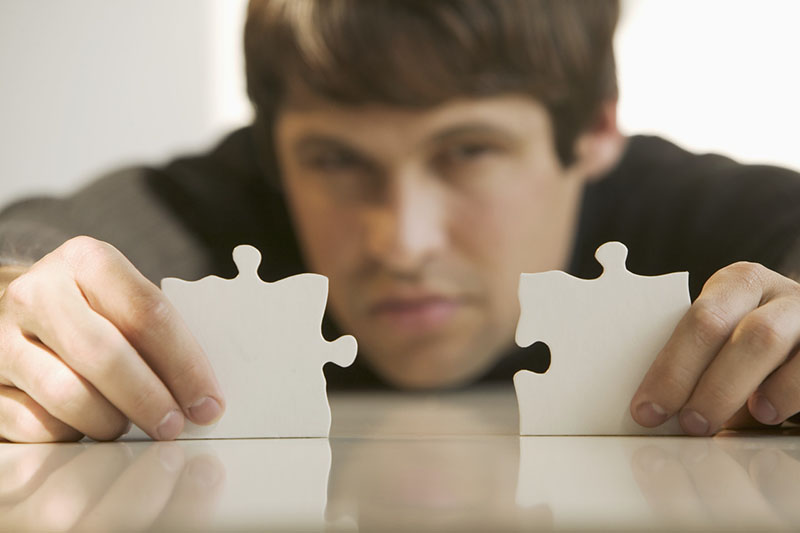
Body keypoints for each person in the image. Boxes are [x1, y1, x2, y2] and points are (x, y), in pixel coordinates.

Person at [0, 0, 799, 443]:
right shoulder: (209, 204)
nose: (402, 242)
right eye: (337, 161)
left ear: (593, 132)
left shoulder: (691, 211)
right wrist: (22, 304)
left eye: (468, 150)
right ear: (271, 152)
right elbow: (33, 247)